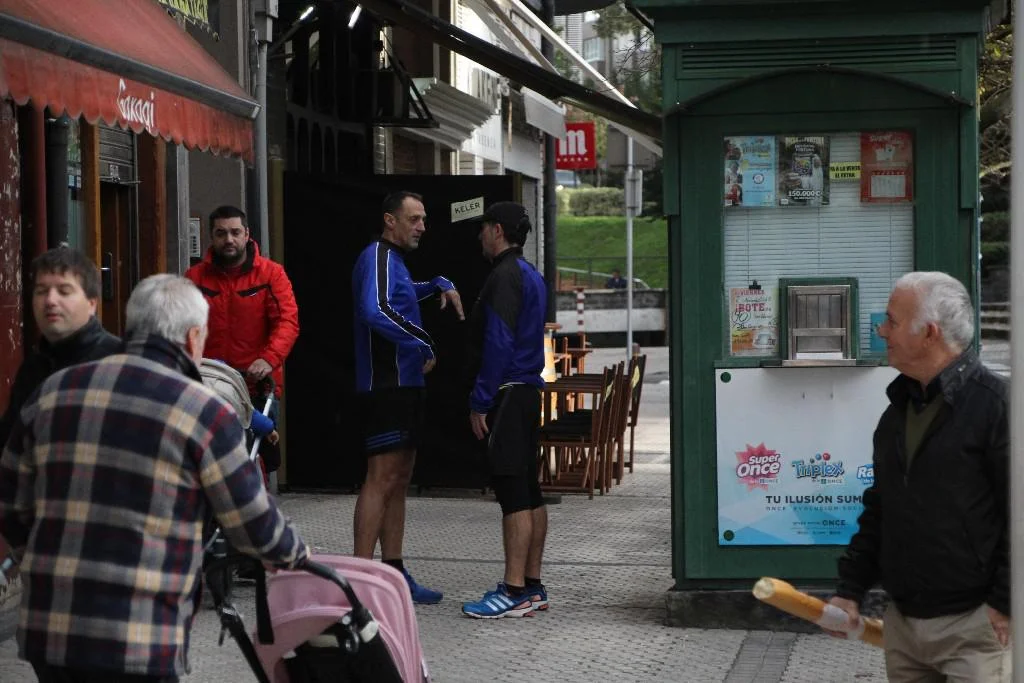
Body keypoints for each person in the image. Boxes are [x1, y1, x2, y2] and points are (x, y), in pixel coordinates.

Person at [0, 274, 308, 683]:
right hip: (141, 637)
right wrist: (297, 555)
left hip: (50, 631)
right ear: (194, 338)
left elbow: (10, 500)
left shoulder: (54, 390)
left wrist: (37, 555)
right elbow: (253, 525)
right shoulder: (203, 410)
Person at [826, 272, 1009, 681]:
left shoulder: (997, 407)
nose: (881, 330)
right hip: (904, 625)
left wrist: (1005, 603)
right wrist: (850, 591)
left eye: (891, 320)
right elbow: (881, 509)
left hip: (977, 627)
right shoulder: (897, 412)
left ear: (929, 333)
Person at [351, 190, 464, 604]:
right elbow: (375, 309)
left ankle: (394, 573)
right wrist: (423, 341)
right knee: (381, 479)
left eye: (424, 219)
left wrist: (436, 283)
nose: (422, 227)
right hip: (386, 385)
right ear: (390, 220)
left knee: (399, 480)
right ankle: (361, 582)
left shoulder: (393, 261)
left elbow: (398, 296)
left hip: (407, 384)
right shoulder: (376, 255)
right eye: (414, 219)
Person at [461, 201, 548, 619]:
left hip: (508, 393)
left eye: (483, 228)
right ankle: (532, 585)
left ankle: (514, 591)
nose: (479, 235)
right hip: (528, 391)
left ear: (497, 230)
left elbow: (498, 341)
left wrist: (480, 400)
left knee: (513, 492)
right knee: (530, 490)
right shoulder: (531, 273)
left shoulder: (503, 276)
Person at [0, 246, 121, 448]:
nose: (50, 301)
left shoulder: (118, 361)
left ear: (92, 304)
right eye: (41, 291)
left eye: (64, 291)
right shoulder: (33, 367)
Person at [185, 205, 299, 397]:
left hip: (256, 386)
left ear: (246, 235)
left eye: (235, 232)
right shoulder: (194, 278)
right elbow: (180, 326)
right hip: (208, 384)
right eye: (221, 233)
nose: (229, 239)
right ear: (212, 237)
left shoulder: (271, 274)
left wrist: (268, 359)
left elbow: (287, 321)